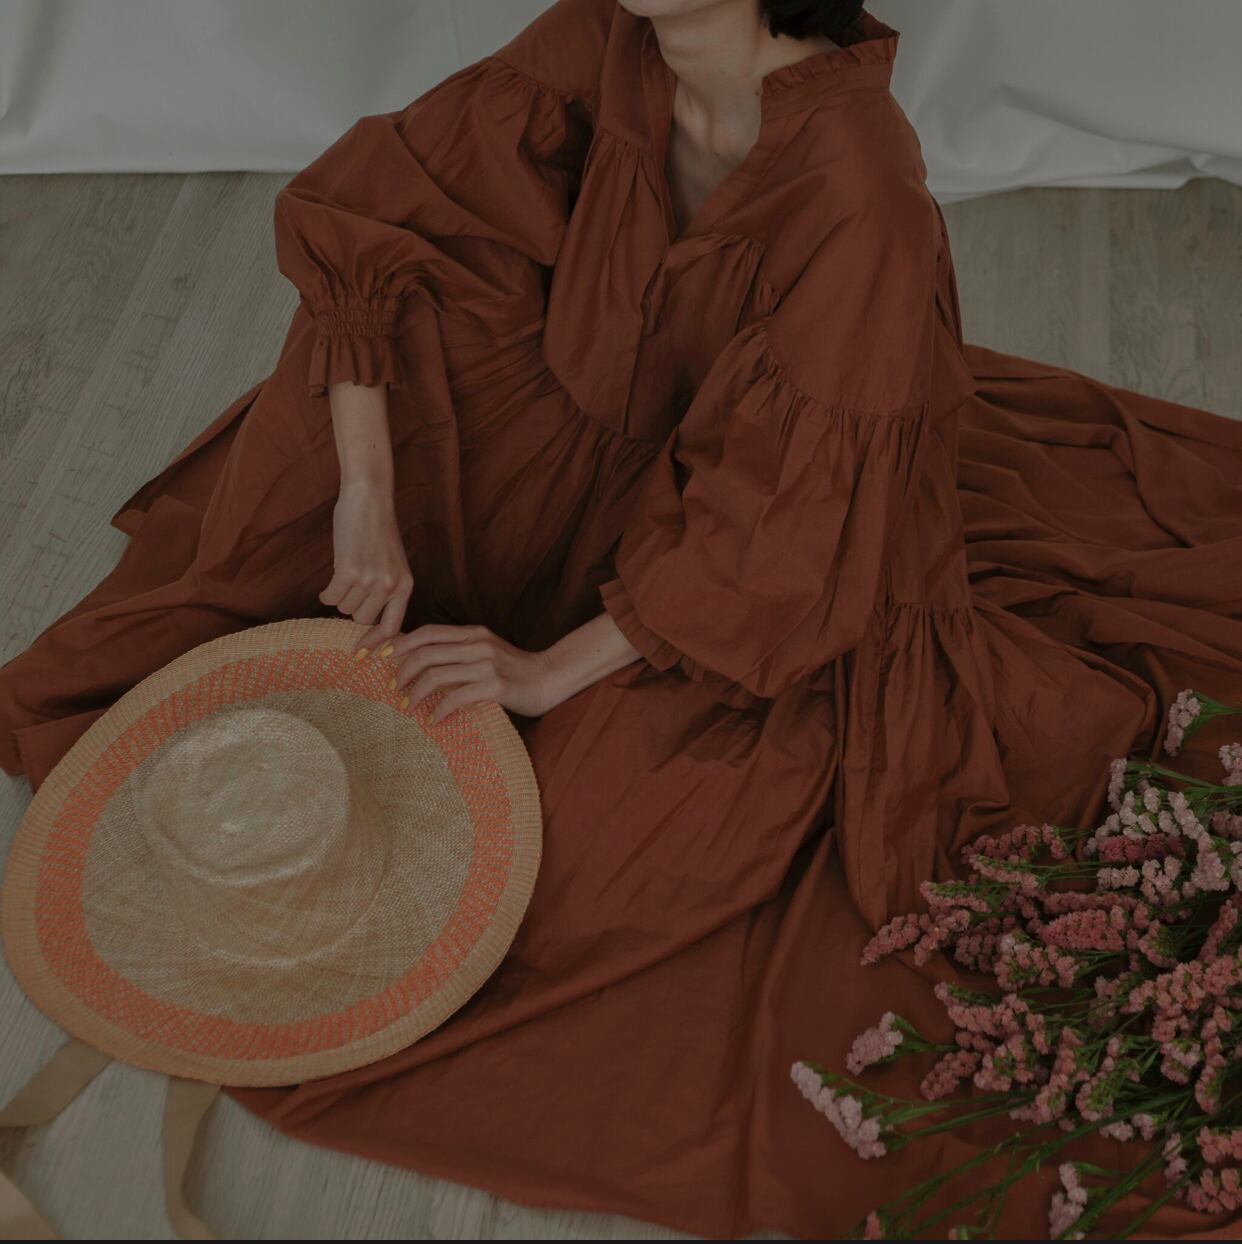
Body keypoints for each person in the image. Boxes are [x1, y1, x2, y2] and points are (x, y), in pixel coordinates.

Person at [2, 0, 1241, 1237]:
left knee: (605, 852)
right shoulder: (604, 35)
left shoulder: (862, 189)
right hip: (611, 441)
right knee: (334, 442)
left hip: (765, 538)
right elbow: (389, 211)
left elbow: (778, 546)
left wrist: (549, 671)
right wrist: (365, 499)